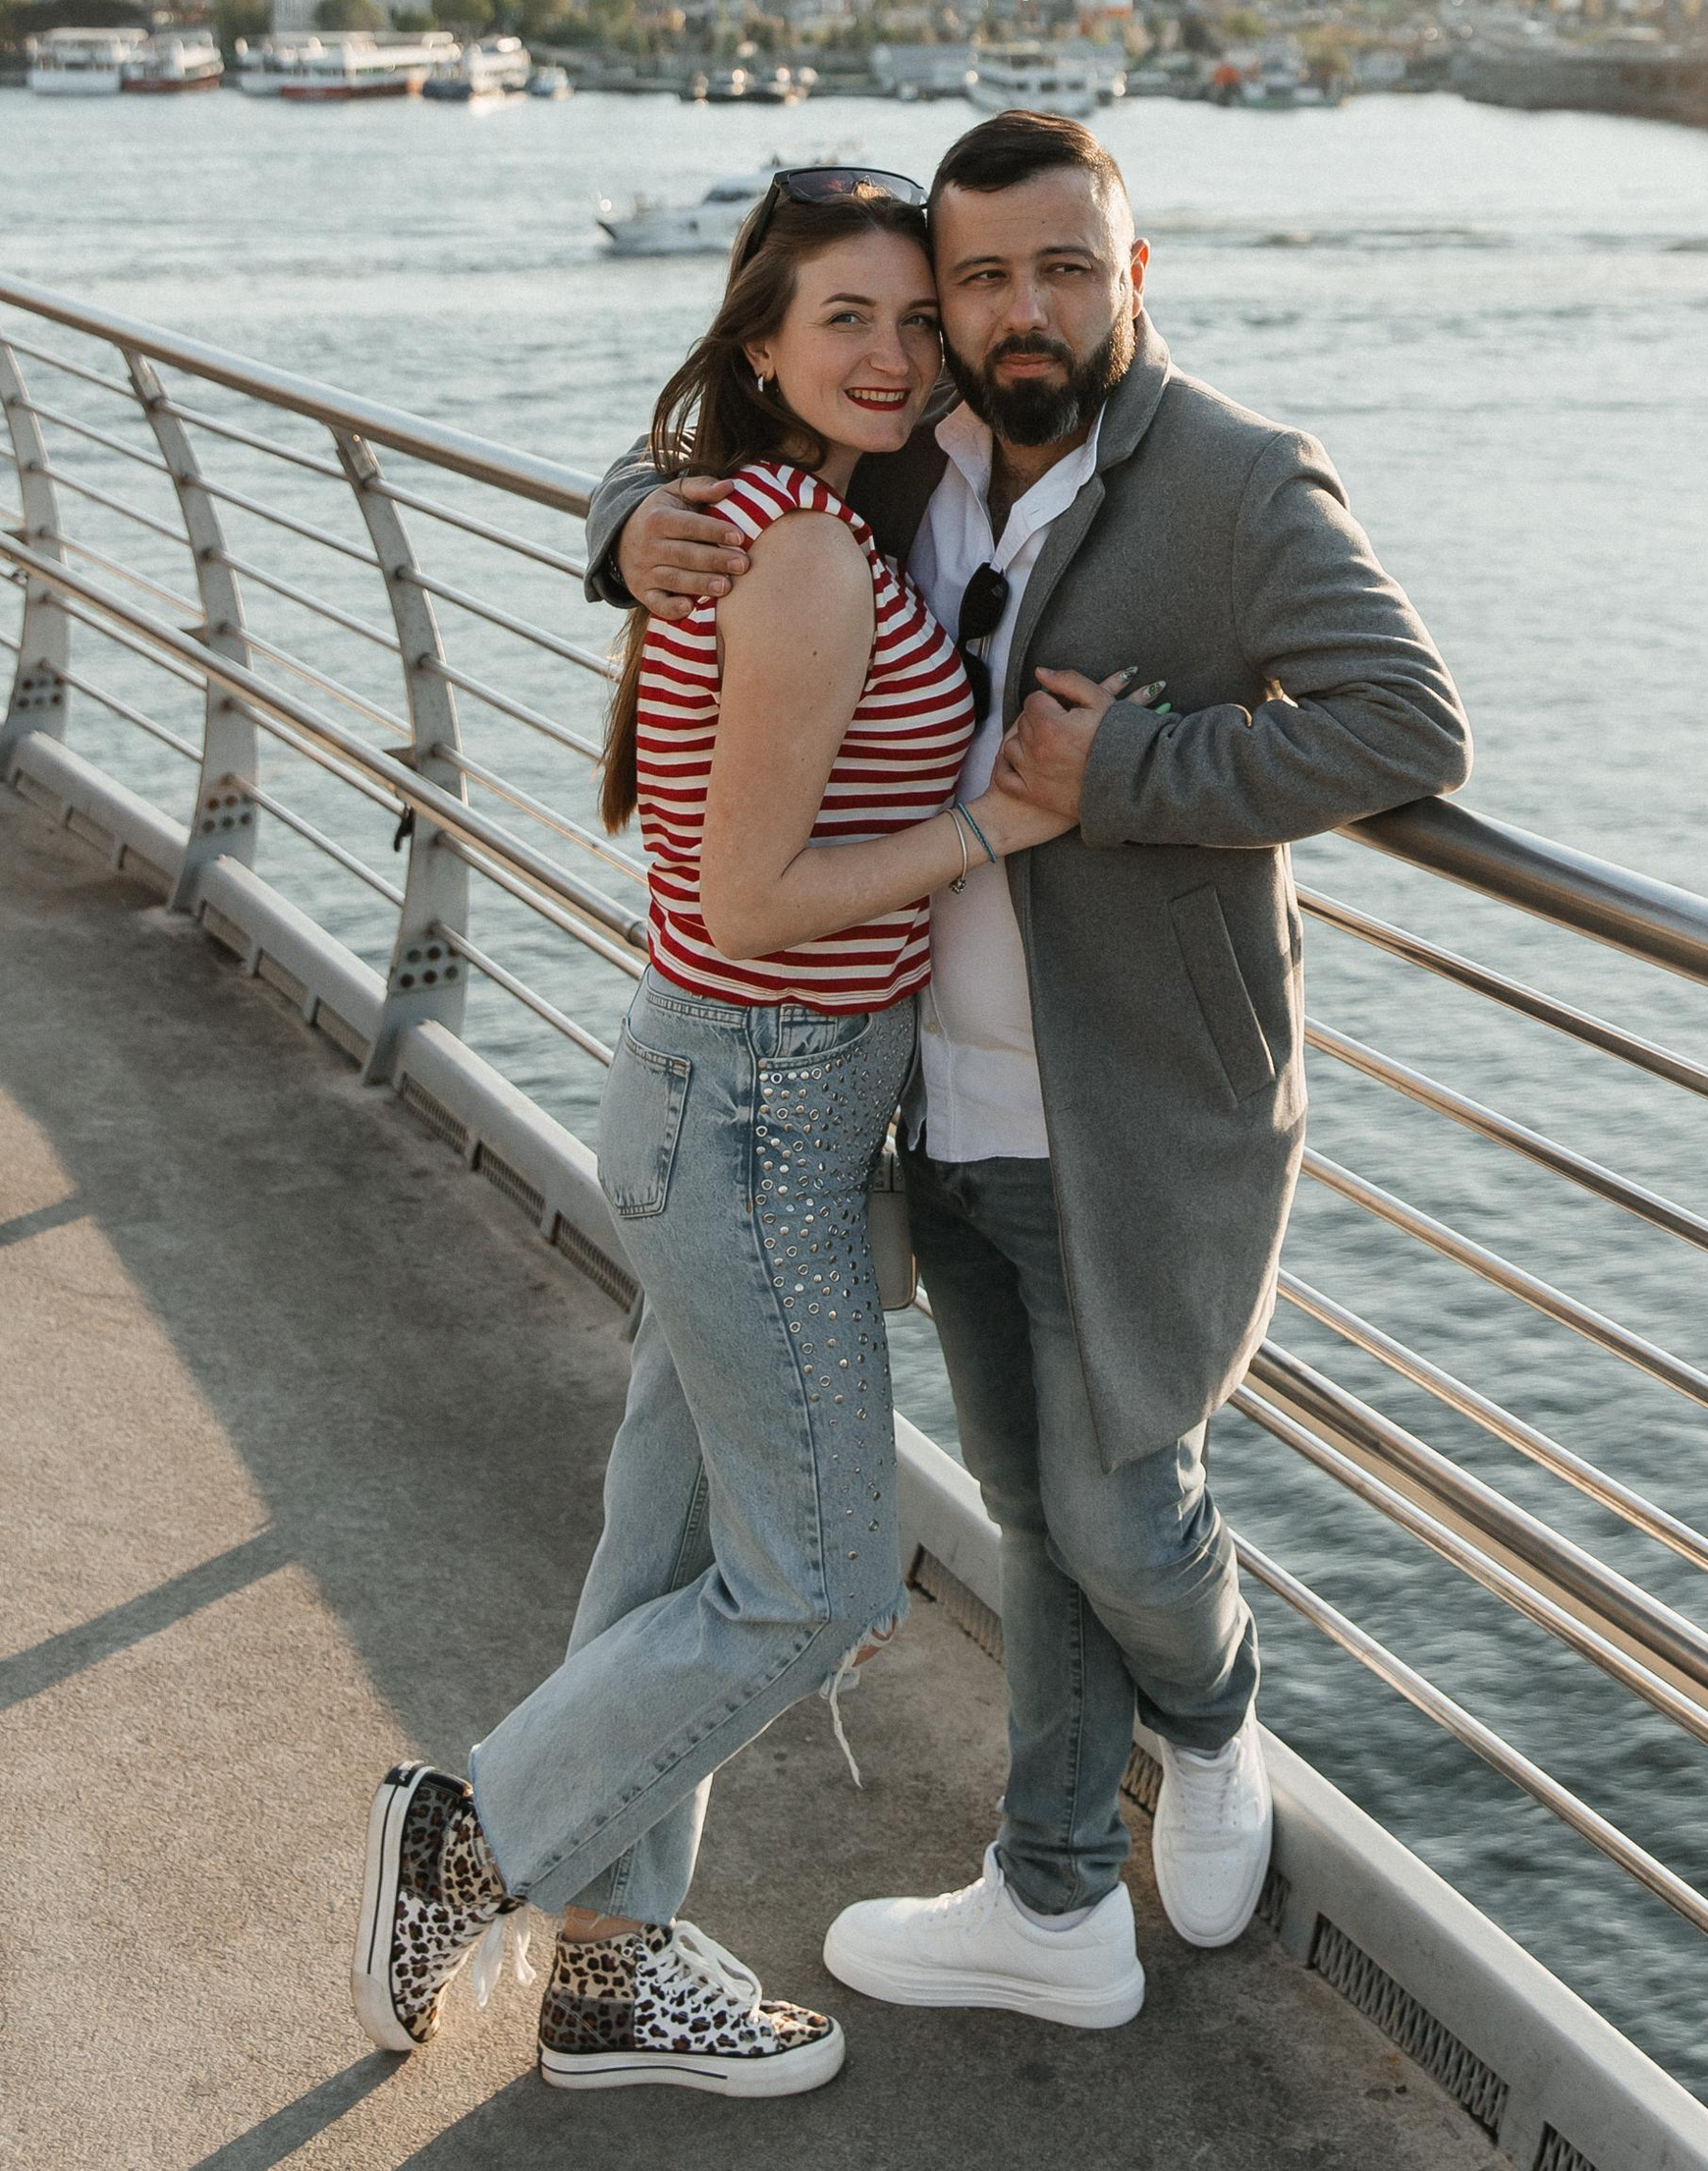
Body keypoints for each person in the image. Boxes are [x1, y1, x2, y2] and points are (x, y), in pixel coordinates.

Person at [591, 110, 1469, 2029]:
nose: (1013, 309)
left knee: (1117, 1506)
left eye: (1061, 267)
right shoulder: (914, 459)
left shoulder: (1233, 484)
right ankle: (1054, 1900)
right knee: (1020, 1505)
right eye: (978, 276)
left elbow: (1402, 727)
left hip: (1133, 1108)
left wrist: (1123, 779)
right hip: (926, 1094)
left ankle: (1218, 1718)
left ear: (1131, 277)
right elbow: (739, 466)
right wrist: (622, 516)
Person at [354, 175, 1095, 2096]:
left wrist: (626, 503)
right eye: (843, 319)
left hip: (748, 1096)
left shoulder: (799, 501)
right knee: (822, 1574)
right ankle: (472, 1838)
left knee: (668, 1534)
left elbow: (1058, 376)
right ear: (758, 348)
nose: (895, 354)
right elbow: (765, 899)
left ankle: (604, 1978)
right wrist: (1000, 826)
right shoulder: (804, 555)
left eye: (915, 322)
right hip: (758, 1090)